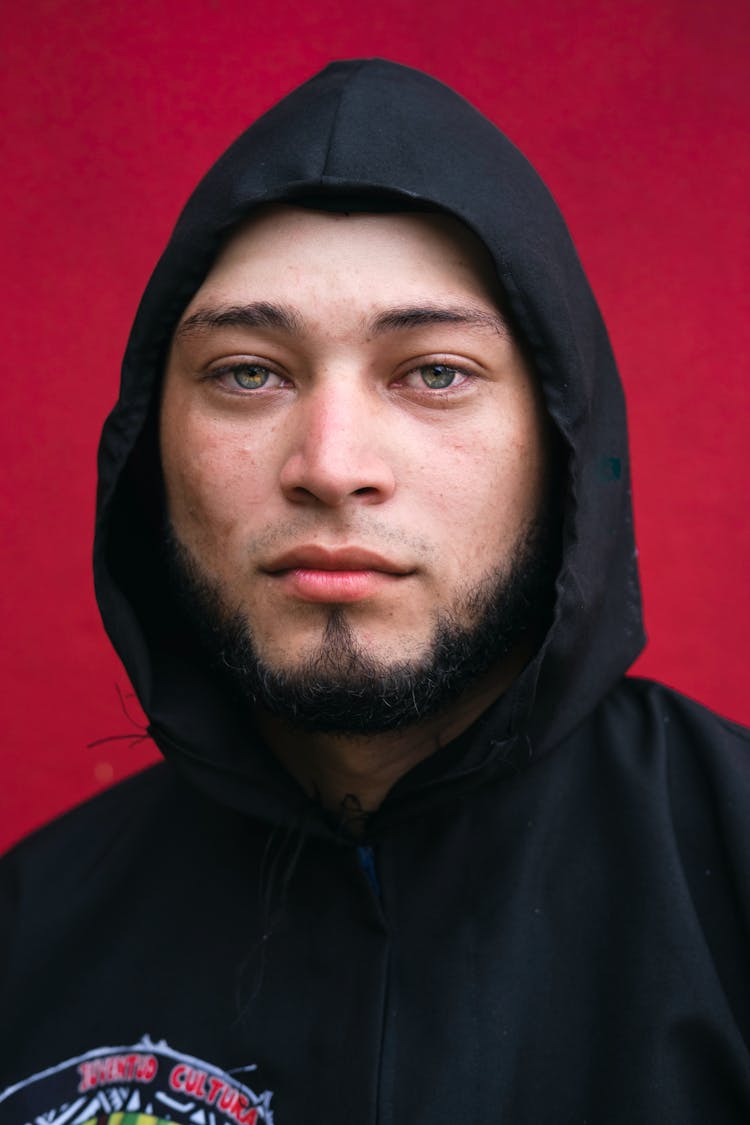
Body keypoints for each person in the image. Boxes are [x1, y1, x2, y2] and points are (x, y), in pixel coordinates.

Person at [1, 58, 748, 1124]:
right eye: (248, 372)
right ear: (148, 447)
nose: (330, 462)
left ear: (565, 439)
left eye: (434, 371)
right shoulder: (32, 933)